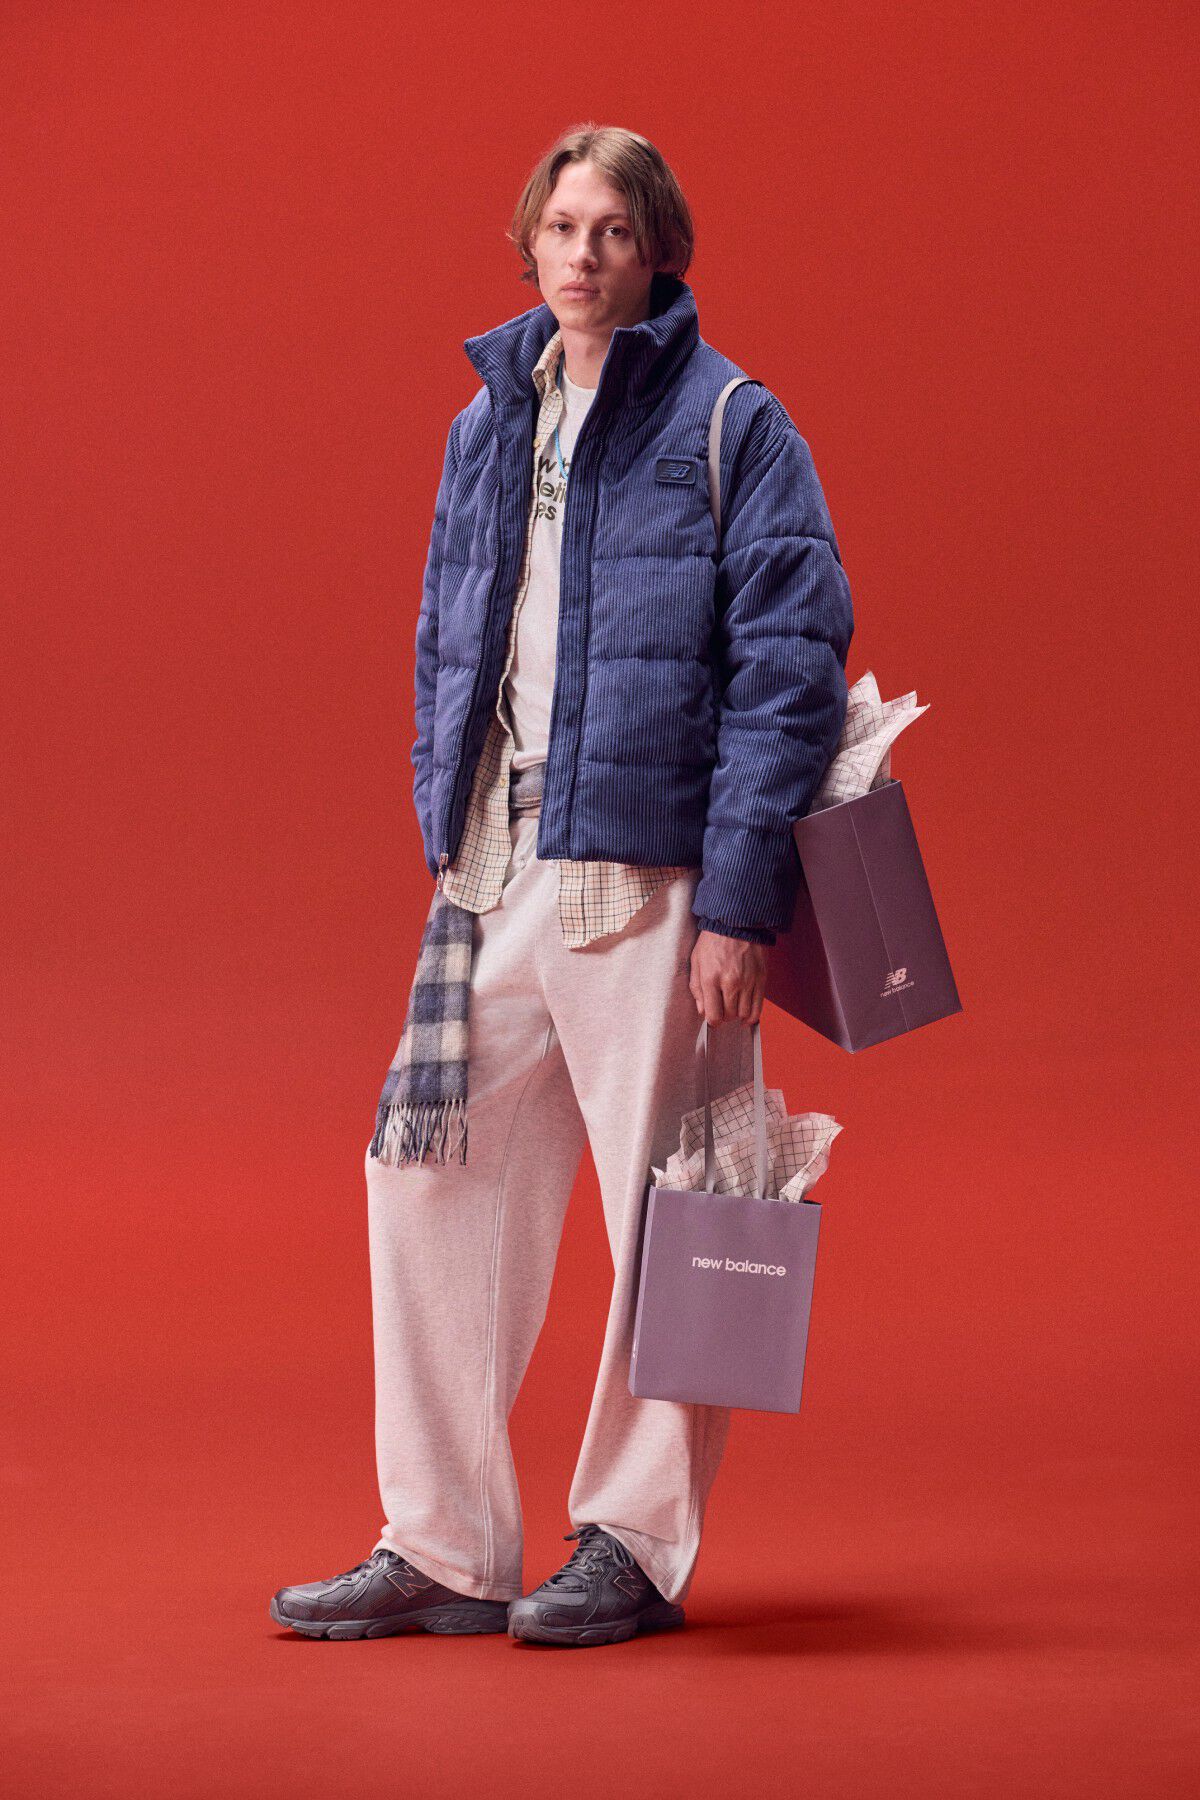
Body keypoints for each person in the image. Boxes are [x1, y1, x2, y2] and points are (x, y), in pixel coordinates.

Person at [270, 123, 854, 1648]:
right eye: (562, 226)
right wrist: (439, 801)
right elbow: (444, 623)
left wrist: (741, 905)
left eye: (614, 230)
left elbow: (792, 667)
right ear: (527, 242)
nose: (585, 254)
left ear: (660, 250)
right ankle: (447, 1544)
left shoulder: (735, 422)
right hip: (497, 861)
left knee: (674, 1209)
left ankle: (635, 1545)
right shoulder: (491, 419)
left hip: (655, 884)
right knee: (427, 1178)